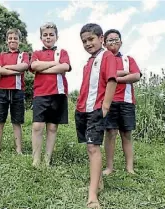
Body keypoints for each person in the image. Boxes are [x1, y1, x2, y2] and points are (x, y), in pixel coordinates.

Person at [75, 23, 117, 208]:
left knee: (93, 148)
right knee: (91, 147)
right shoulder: (90, 61)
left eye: (91, 39)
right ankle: (97, 182)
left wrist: (105, 106)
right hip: (83, 109)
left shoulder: (106, 56)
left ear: (101, 39)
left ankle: (92, 196)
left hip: (96, 109)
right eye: (84, 41)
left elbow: (112, 80)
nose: (87, 43)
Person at [30, 22, 71, 167]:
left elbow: (65, 66)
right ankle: (36, 159)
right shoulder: (36, 53)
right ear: (41, 38)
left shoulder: (62, 52)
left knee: (52, 127)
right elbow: (34, 66)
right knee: (37, 126)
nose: (48, 37)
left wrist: (43, 68)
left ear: (56, 37)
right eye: (45, 35)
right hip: (40, 93)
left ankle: (47, 160)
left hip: (58, 93)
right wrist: (55, 64)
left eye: (51, 35)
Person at [102, 29, 141, 175]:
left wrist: (115, 78)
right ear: (104, 43)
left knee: (127, 134)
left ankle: (130, 168)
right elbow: (103, 75)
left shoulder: (128, 59)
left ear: (121, 42)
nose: (113, 42)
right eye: (110, 40)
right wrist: (124, 73)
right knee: (110, 133)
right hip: (108, 102)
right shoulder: (103, 60)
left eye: (116, 39)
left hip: (126, 102)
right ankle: (109, 167)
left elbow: (136, 75)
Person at [0, 28, 29, 156]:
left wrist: (6, 68)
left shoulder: (23, 55)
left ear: (19, 41)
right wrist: (15, 71)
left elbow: (24, 66)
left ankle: (19, 150)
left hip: (17, 91)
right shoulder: (1, 55)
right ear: (6, 40)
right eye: (10, 38)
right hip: (2, 90)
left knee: (17, 121)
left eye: (15, 38)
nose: (12, 40)